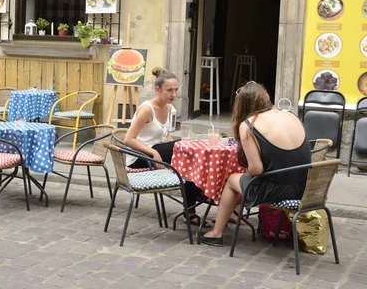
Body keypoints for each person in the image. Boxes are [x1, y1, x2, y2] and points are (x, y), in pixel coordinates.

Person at [200, 81, 311, 246]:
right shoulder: (290, 115)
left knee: (232, 180)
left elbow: (256, 169)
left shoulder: (249, 125)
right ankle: (233, 214)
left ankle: (216, 233)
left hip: (278, 191)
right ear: (266, 97)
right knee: (243, 179)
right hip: (305, 188)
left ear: (242, 106)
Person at [124, 67, 205, 225]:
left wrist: (176, 145)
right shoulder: (147, 110)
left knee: (188, 156)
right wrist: (154, 152)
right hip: (140, 157)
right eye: (169, 90)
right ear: (157, 89)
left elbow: (164, 134)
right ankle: (197, 199)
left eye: (175, 90)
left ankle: (192, 207)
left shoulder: (169, 108)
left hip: (157, 152)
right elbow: (128, 139)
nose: (174, 94)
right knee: (187, 150)